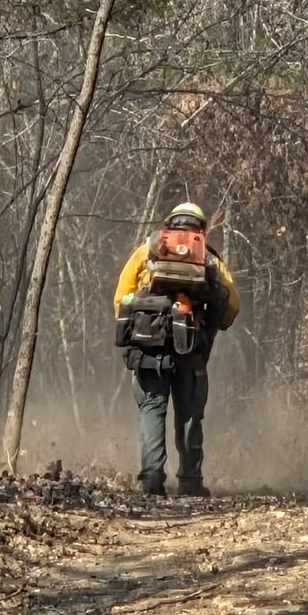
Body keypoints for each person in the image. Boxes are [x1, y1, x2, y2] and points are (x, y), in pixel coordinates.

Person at [114, 202, 239, 497]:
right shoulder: (207, 257)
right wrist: (209, 325)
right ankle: (191, 482)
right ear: (201, 228)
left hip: (149, 347)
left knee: (152, 409)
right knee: (189, 413)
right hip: (191, 345)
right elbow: (232, 305)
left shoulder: (147, 250)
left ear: (169, 223)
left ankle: (152, 481)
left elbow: (121, 298)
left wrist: (143, 325)